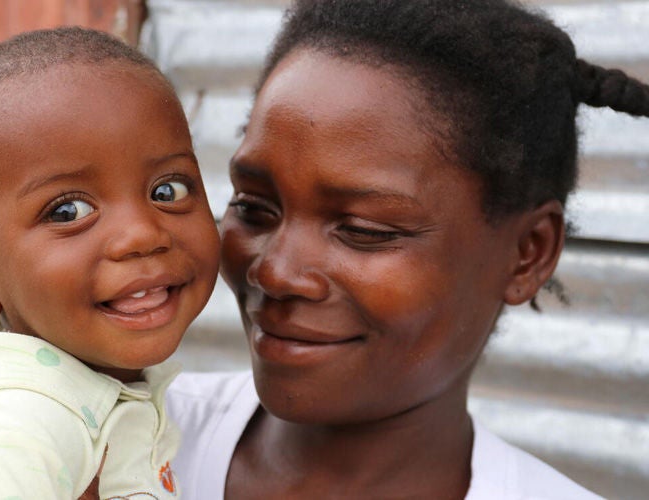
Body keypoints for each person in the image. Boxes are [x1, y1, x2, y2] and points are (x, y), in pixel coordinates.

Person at [165, 0, 649, 498]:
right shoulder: (111, 446)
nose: (276, 273)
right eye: (253, 207)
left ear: (528, 252)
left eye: (363, 229)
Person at [0, 26, 220, 499]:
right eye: (68, 211)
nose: (143, 233)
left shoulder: (89, 390)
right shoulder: (23, 421)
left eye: (168, 190)